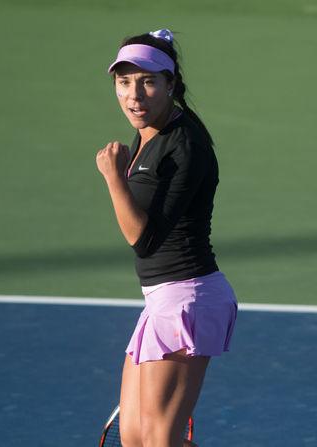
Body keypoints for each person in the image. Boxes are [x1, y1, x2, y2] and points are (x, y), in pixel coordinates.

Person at [95, 29, 238, 447]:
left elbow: (144, 239)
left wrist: (112, 178)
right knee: (137, 438)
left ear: (172, 85)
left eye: (148, 81)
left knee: (158, 439)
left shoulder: (184, 145)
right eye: (124, 82)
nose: (134, 95)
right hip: (162, 300)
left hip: (187, 299)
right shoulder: (150, 132)